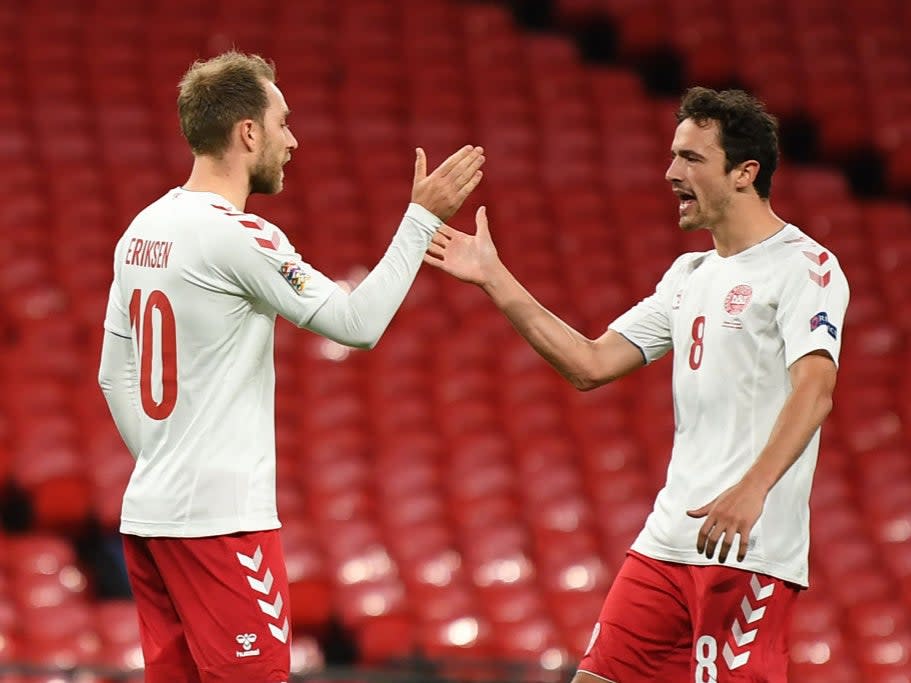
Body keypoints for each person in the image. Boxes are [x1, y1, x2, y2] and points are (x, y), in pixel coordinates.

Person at [424, 87, 849, 682]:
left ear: (744, 173)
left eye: (693, 159)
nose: (670, 171)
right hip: (666, 540)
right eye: (674, 155)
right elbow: (590, 364)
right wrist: (495, 279)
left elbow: (815, 390)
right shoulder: (688, 275)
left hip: (746, 550)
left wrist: (753, 488)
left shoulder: (805, 267)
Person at [97, 50, 484, 683]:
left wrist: (166, 463)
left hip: (151, 519)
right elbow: (357, 325)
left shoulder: (143, 229)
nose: (293, 140)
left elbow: (113, 376)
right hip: (222, 528)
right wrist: (420, 221)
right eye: (283, 122)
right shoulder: (239, 235)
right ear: (248, 132)